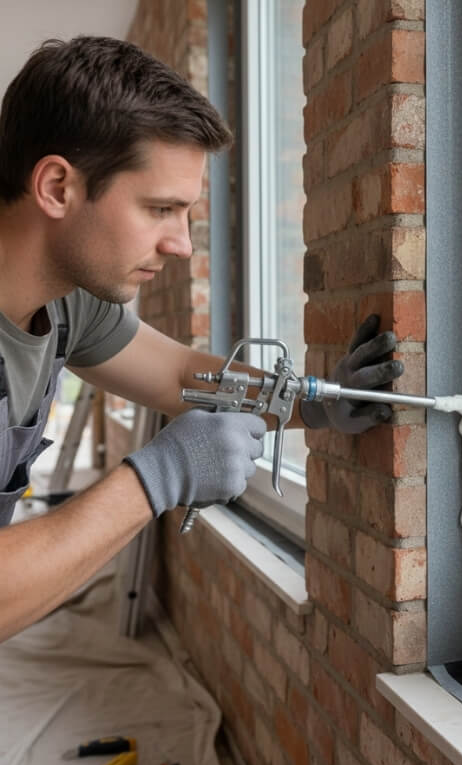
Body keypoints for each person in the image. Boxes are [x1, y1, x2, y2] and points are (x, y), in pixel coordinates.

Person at [0, 37, 402, 642]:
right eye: (160, 208)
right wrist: (158, 475)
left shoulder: (66, 303)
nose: (182, 245)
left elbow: (181, 374)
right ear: (58, 187)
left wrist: (308, 401)